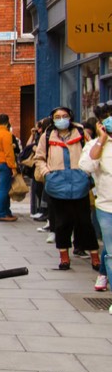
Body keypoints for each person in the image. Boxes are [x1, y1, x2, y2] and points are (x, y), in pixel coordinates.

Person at [34, 105, 99, 271]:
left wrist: (86, 174)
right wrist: (47, 173)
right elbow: (39, 158)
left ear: (70, 117)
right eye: (57, 117)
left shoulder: (80, 132)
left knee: (85, 222)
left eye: (64, 116)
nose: (61, 119)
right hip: (57, 184)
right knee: (62, 223)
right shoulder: (47, 135)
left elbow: (92, 152)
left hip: (79, 183)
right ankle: (64, 257)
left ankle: (95, 256)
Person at [80, 109, 112, 293]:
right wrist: (101, 140)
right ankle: (104, 274)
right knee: (110, 251)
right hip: (106, 206)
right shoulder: (96, 145)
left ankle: (103, 273)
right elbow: (87, 166)